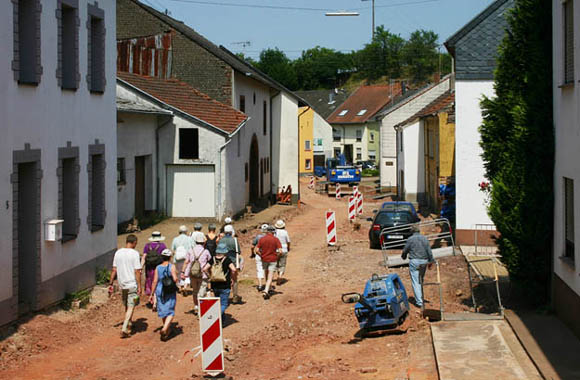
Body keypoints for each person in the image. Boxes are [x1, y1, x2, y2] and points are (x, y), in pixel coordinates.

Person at [109, 234, 142, 338]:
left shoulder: (118, 252)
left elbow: (114, 269)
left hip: (122, 283)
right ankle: (124, 327)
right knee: (131, 305)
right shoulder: (135, 254)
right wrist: (140, 285)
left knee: (126, 304)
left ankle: (129, 323)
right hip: (131, 283)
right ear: (134, 242)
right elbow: (137, 271)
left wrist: (110, 283)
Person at [401, 225, 434, 308]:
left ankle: (419, 302)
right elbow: (429, 251)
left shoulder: (410, 239)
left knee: (415, 281)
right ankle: (421, 297)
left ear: (412, 232)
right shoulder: (425, 239)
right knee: (420, 280)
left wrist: (403, 256)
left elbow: (405, 250)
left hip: (414, 261)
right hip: (424, 261)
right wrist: (431, 261)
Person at [149, 249, 178, 341]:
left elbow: (154, 281)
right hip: (169, 290)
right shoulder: (172, 266)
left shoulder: (158, 267)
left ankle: (167, 330)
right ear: (170, 257)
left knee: (163, 310)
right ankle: (165, 328)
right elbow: (175, 279)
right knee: (170, 311)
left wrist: (152, 293)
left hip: (160, 290)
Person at [204, 242, 237, 317]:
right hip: (225, 285)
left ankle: (221, 320)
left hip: (214, 284)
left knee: (218, 303)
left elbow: (205, 269)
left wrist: (210, 276)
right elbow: (234, 269)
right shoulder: (227, 260)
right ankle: (216, 316)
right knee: (224, 304)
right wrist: (232, 278)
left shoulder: (212, 259)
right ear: (225, 251)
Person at [182, 233, 212, 315]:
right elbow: (210, 261)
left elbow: (186, 262)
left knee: (195, 291)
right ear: (204, 243)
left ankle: (196, 306)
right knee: (201, 292)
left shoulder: (190, 250)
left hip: (192, 274)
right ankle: (201, 310)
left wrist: (183, 272)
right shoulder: (206, 251)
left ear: (195, 242)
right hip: (203, 274)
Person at [255, 226, 282, 299]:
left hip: (264, 259)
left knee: (266, 273)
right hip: (273, 259)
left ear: (267, 231)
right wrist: (277, 256)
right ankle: (266, 290)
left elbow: (257, 250)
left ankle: (269, 287)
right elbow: (280, 251)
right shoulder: (276, 239)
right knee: (270, 275)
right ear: (273, 232)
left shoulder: (262, 239)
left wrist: (261, 256)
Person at [220, 225, 243, 303]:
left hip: (224, 262)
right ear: (231, 232)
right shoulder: (235, 240)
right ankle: (235, 296)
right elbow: (239, 251)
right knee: (234, 279)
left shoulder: (221, 240)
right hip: (233, 262)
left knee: (225, 279)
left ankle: (224, 296)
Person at [142, 231, 167, 297]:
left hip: (149, 268)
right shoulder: (163, 246)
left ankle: (151, 296)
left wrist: (141, 267)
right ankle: (156, 298)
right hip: (159, 267)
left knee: (150, 280)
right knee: (158, 281)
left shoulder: (147, 246)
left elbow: (144, 257)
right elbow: (165, 257)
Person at [171, 225, 193, 292]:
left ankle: (180, 286)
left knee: (179, 272)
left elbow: (172, 249)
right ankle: (185, 286)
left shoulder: (175, 239)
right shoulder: (189, 239)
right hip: (187, 258)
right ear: (186, 231)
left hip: (177, 258)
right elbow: (192, 247)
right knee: (187, 272)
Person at [251, 224, 269, 291]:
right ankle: (267, 285)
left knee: (259, 269)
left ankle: (260, 285)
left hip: (259, 255)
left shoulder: (258, 237)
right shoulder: (270, 237)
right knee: (267, 270)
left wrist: (252, 253)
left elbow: (252, 246)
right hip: (267, 255)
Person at [274, 219, 291, 286]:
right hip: (284, 249)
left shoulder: (275, 232)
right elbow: (288, 241)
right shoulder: (285, 232)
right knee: (282, 264)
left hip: (276, 250)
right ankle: (280, 276)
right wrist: (288, 247)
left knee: (275, 263)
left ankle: (272, 275)